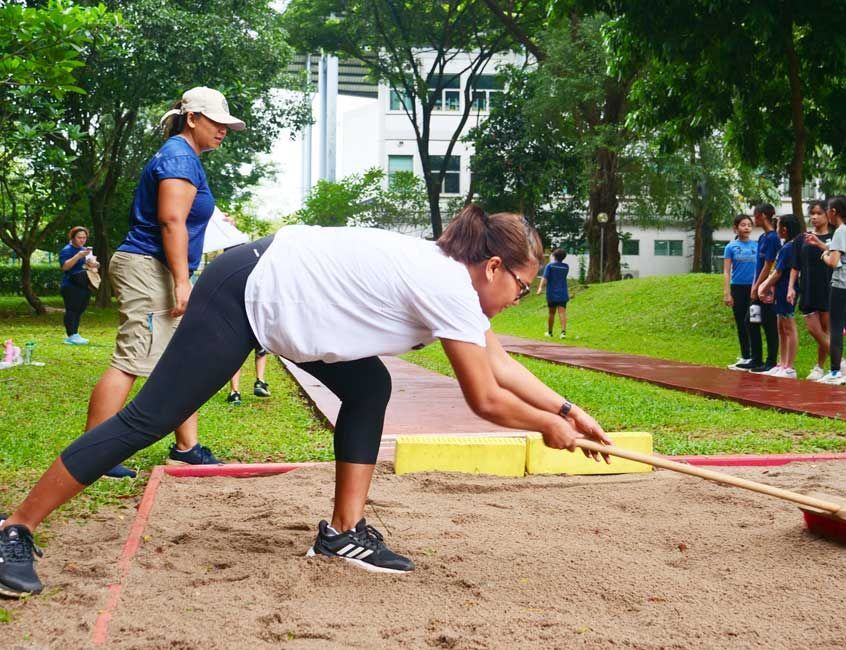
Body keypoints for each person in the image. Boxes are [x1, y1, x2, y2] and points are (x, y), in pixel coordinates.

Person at [0, 205, 612, 595]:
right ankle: (15, 529)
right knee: (151, 418)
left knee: (371, 385)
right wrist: (544, 430)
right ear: (495, 266)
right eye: (522, 288)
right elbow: (484, 398)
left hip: (287, 304)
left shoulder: (454, 281)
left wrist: (564, 410)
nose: (519, 298)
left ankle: (342, 532)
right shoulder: (449, 283)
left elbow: (499, 363)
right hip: (246, 291)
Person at [89, 87, 245, 479]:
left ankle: (187, 447)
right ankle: (93, 454)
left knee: (181, 358)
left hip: (156, 267)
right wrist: (181, 281)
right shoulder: (179, 156)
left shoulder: (184, 157)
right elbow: (171, 220)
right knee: (131, 360)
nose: (224, 131)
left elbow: (187, 214)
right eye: (217, 123)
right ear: (192, 118)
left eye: (227, 125)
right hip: (149, 268)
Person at [806, 196, 846, 386]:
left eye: (827, 211)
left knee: (835, 327)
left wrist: (823, 254)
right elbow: (840, 251)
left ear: (833, 212)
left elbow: (833, 261)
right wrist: (821, 244)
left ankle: (834, 372)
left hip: (842, 285)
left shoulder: (840, 231)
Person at [789, 200, 834, 380]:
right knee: (814, 330)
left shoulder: (835, 237)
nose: (814, 217)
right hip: (808, 288)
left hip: (829, 288)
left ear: (828, 215)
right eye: (812, 213)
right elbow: (795, 266)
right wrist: (791, 287)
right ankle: (841, 361)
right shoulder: (802, 238)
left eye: (819, 213)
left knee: (826, 329)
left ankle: (820, 367)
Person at [735, 204, 780, 373]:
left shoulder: (773, 238)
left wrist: (759, 286)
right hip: (758, 286)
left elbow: (769, 265)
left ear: (762, 215)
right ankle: (756, 358)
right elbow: (759, 265)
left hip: (768, 289)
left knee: (768, 324)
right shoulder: (762, 238)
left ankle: (771, 361)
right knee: (751, 320)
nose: (754, 219)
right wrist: (754, 285)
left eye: (755, 215)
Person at [757, 215, 801, 378]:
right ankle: (782, 364)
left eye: (779, 226)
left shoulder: (789, 247)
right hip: (780, 291)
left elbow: (778, 272)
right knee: (781, 328)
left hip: (787, 291)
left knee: (789, 327)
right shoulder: (786, 246)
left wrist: (763, 286)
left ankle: (790, 367)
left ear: (784, 229)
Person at [722, 215, 757, 370]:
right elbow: (726, 271)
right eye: (743, 225)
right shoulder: (730, 247)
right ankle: (745, 355)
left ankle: (756, 356)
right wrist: (727, 292)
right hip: (737, 288)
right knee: (742, 322)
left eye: (749, 225)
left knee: (754, 321)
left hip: (754, 288)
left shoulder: (757, 245)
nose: (747, 228)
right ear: (736, 228)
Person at [58, 227, 98, 345]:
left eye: (84, 237)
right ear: (73, 237)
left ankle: (75, 333)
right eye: (79, 237)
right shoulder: (67, 250)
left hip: (84, 284)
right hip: (71, 285)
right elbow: (65, 267)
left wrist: (95, 264)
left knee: (79, 310)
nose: (82, 240)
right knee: (72, 310)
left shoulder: (85, 250)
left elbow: (94, 265)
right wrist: (78, 256)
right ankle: (71, 335)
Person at [537, 248, 570, 338]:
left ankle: (550, 332)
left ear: (554, 256)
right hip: (563, 292)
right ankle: (563, 332)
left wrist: (540, 288)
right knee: (562, 312)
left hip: (552, 293)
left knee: (551, 313)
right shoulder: (566, 267)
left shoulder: (550, 266)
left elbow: (545, 278)